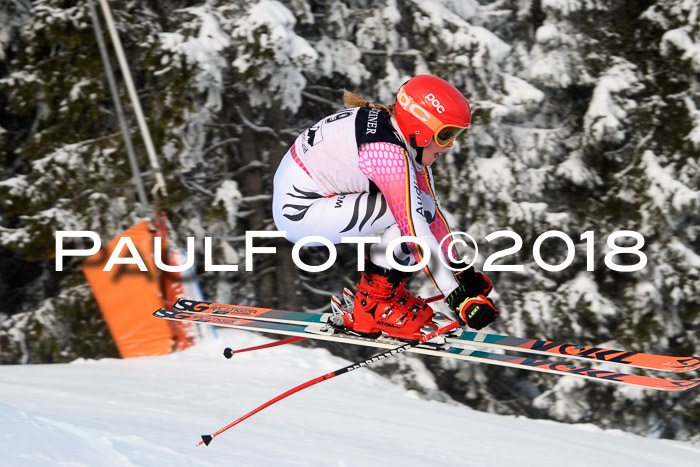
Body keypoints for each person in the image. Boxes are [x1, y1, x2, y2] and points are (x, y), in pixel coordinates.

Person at [272, 75, 497, 340]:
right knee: (411, 216)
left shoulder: (400, 139)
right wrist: (457, 297)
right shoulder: (386, 153)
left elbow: (433, 215)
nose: (449, 146)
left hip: (311, 197)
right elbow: (414, 230)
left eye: (455, 135)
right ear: (420, 127)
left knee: (421, 206)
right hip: (301, 213)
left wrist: (463, 275)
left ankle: (382, 298)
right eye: (446, 134)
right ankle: (375, 305)